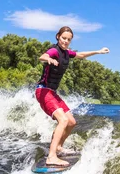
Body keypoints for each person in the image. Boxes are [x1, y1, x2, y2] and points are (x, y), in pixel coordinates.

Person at [35, 26, 110, 166]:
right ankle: (51, 157)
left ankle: (58, 147)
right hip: (43, 91)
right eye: (63, 38)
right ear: (58, 37)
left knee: (71, 122)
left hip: (52, 93)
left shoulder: (66, 53)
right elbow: (43, 56)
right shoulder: (54, 50)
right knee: (63, 120)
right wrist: (48, 60)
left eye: (68, 39)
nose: (65, 41)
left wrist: (98, 51)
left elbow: (80, 55)